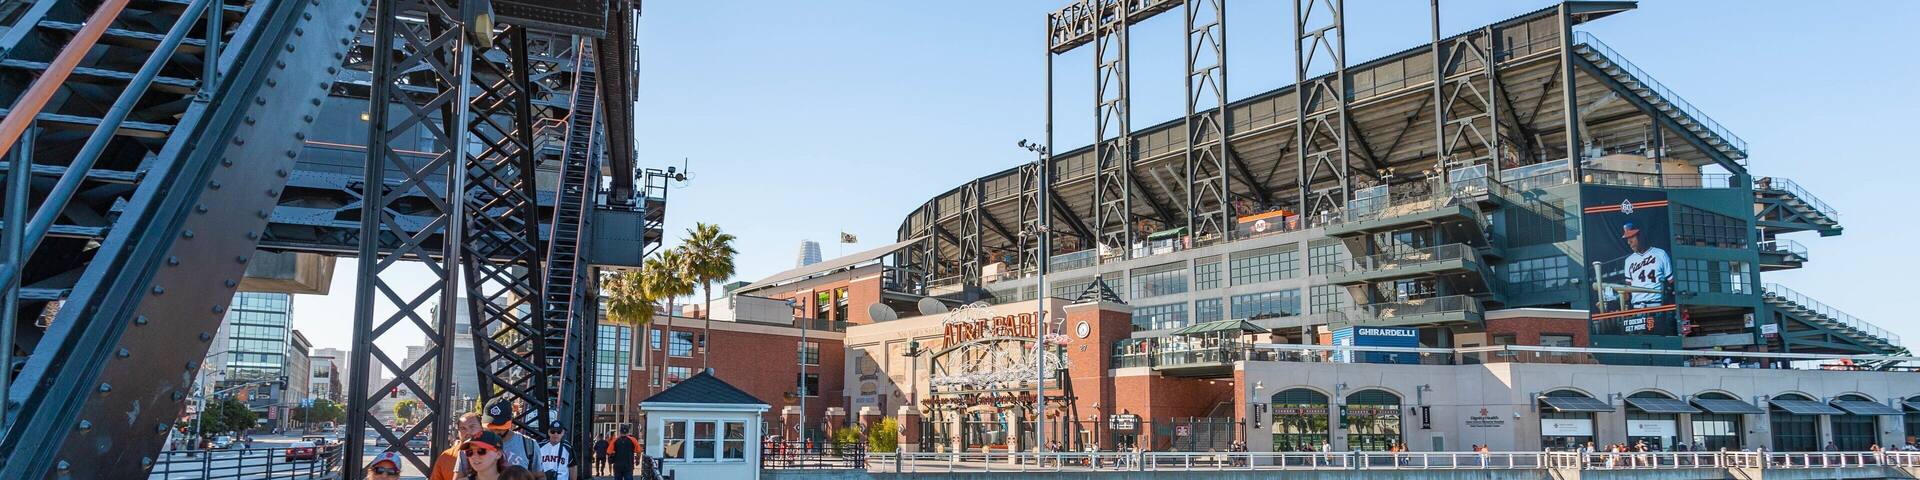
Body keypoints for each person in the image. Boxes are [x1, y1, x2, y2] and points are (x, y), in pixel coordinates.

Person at [483, 402, 542, 468]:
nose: (495, 431)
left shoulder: (529, 445)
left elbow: (540, 476)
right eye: (491, 426)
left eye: (500, 426)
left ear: (510, 420)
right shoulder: (477, 445)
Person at [431, 412, 487, 480]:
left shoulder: (492, 453)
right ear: (458, 432)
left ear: (482, 428)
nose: (468, 432)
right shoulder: (446, 456)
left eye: (472, 426)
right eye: (463, 428)